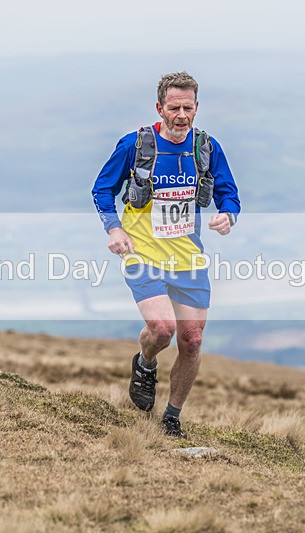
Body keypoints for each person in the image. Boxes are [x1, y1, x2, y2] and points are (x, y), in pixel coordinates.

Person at [92, 71, 241, 438]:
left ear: (196, 108)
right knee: (162, 329)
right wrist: (114, 228)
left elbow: (230, 193)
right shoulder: (135, 144)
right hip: (141, 252)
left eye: (188, 108)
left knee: (192, 340)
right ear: (160, 108)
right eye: (173, 107)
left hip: (188, 259)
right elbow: (102, 189)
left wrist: (228, 215)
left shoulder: (206, 147)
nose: (181, 115)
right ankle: (145, 363)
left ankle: (171, 417)